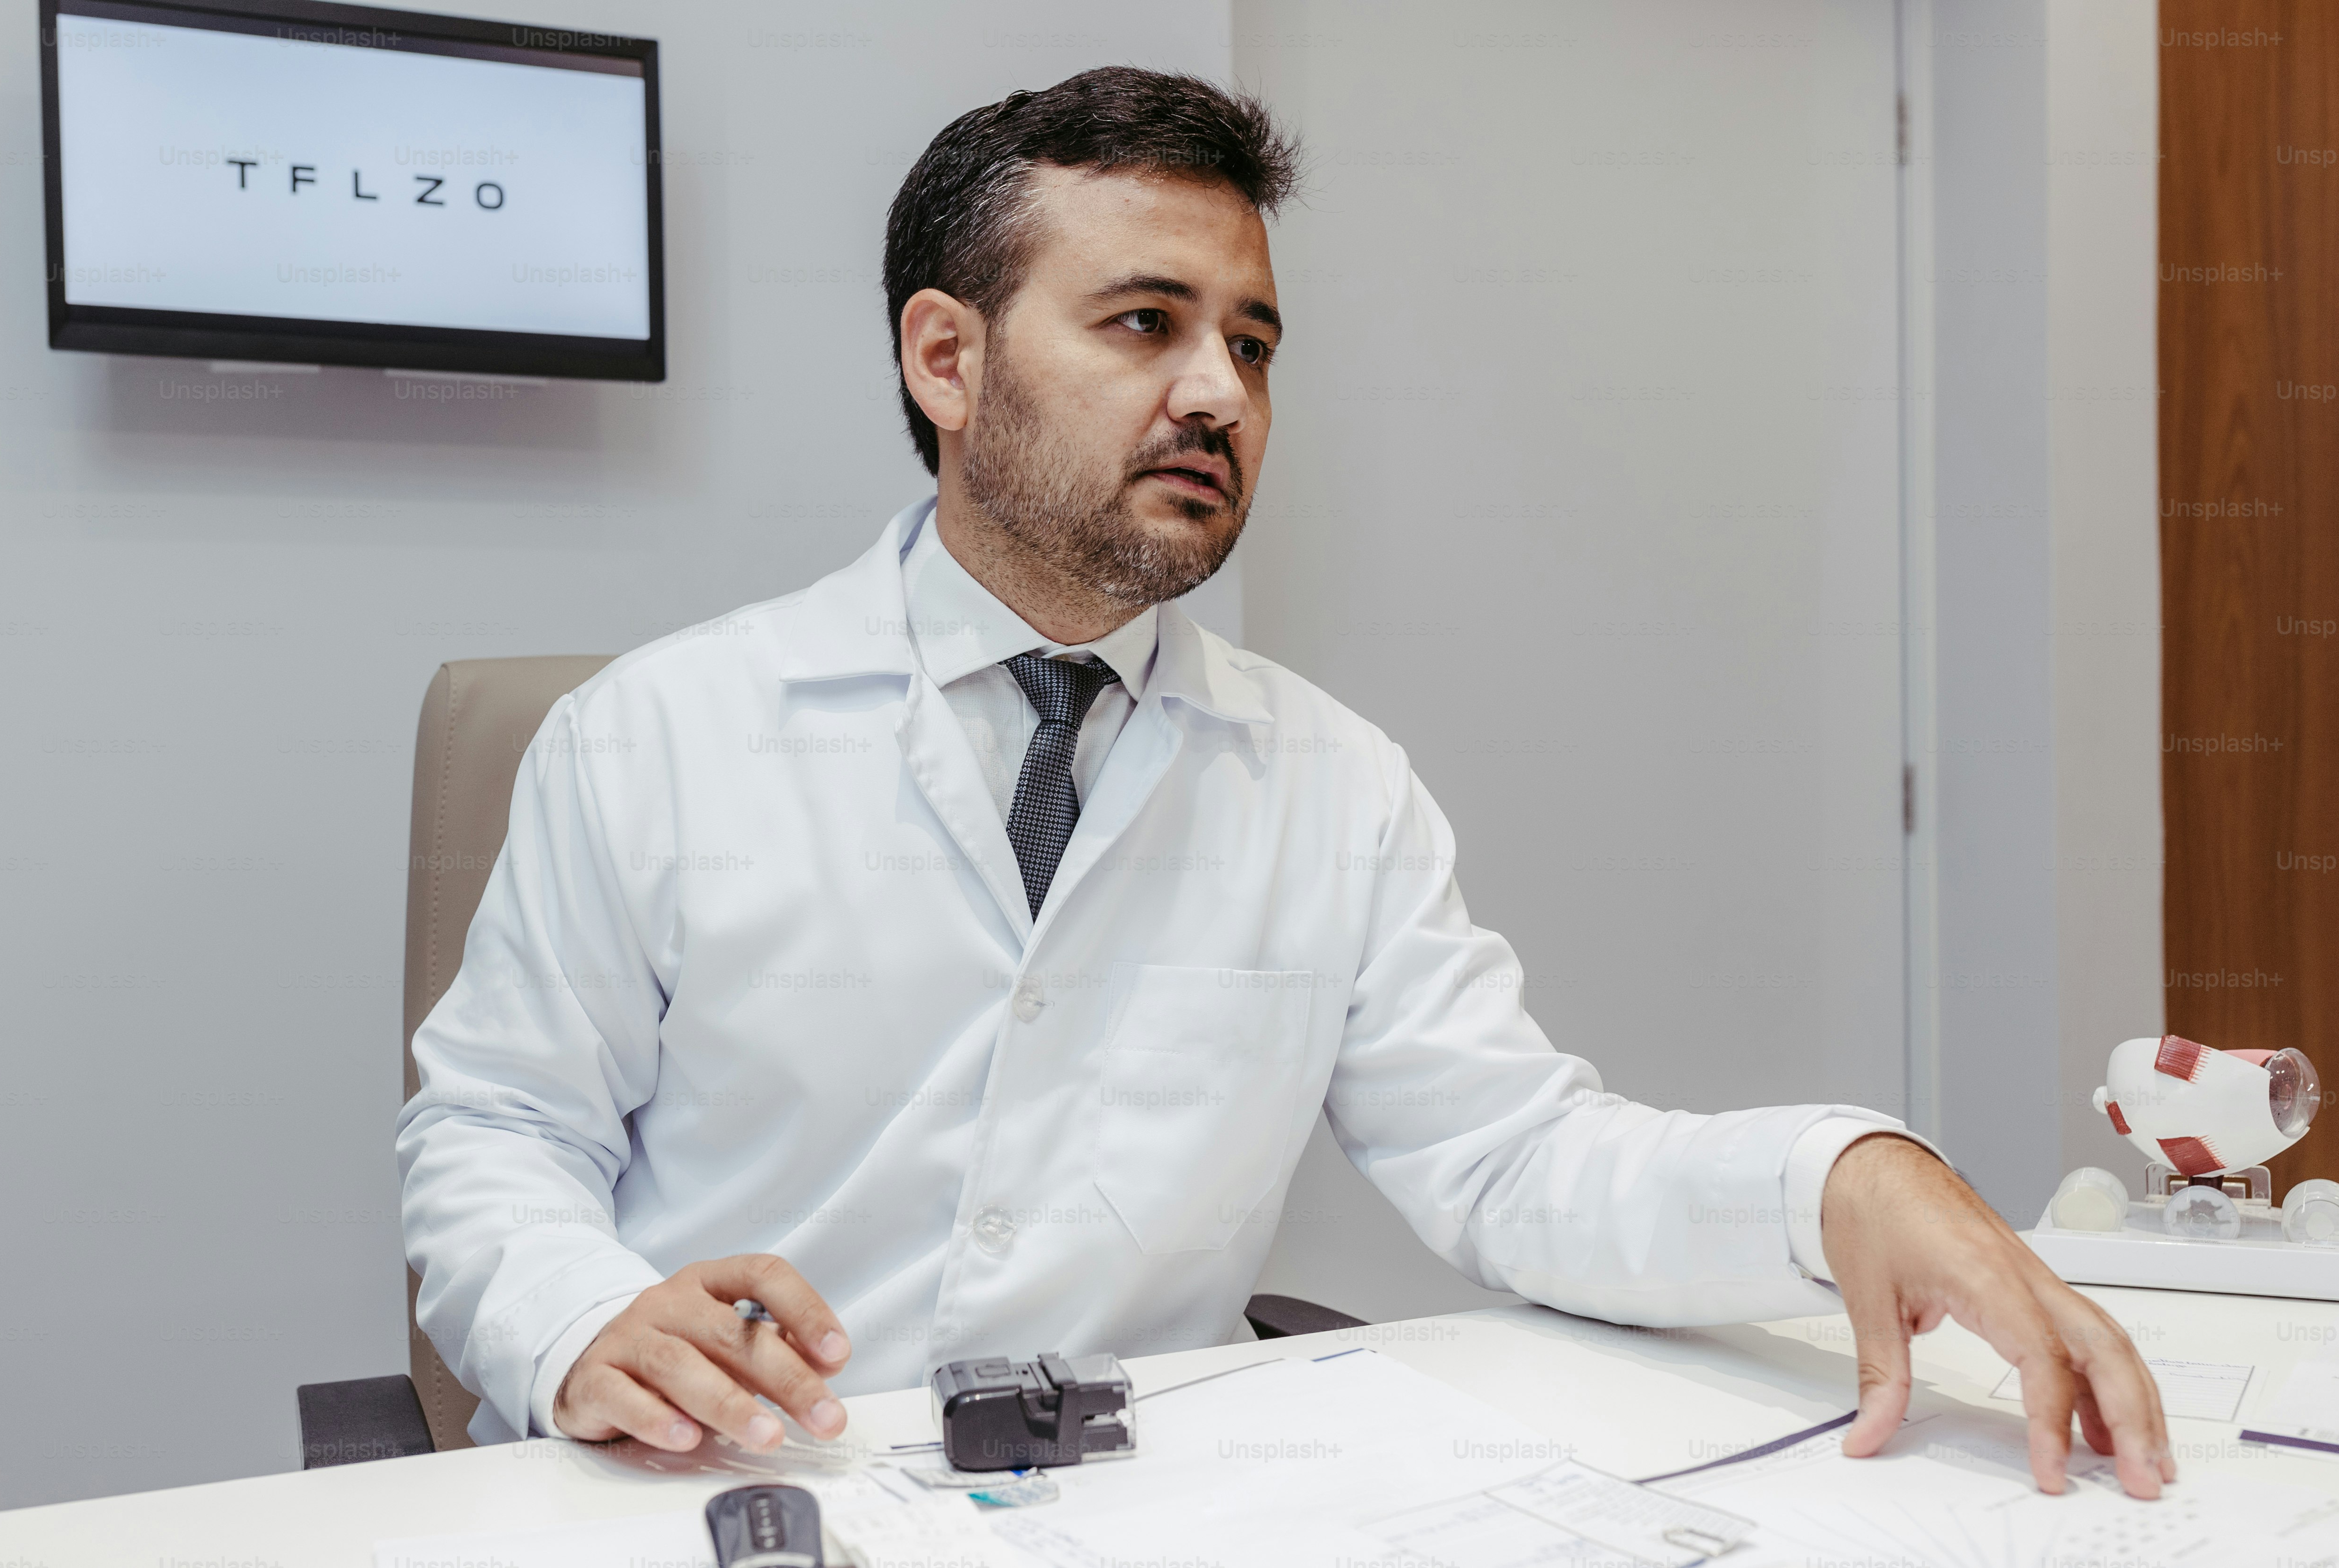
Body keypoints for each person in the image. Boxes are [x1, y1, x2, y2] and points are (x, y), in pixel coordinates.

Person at [396, 66, 2171, 1499]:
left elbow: (1513, 1160)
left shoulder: (1330, 778)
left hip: (1133, 1509)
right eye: (1145, 323)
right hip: (732, 1492)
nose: (1217, 394)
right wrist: (582, 1321)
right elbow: (495, 1136)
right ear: (948, 359)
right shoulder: (659, 733)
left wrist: (1834, 1176)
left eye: (1250, 343)